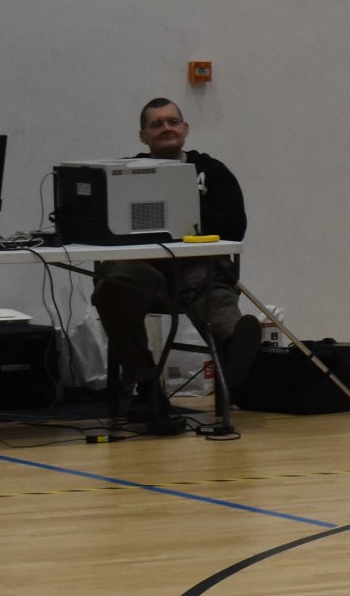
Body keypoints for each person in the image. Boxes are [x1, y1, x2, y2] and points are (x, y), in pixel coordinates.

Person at [89, 98, 261, 431]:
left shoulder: (212, 170)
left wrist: (182, 209)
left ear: (185, 128)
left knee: (212, 288)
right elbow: (105, 220)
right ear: (143, 136)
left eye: (172, 121)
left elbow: (234, 225)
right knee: (113, 288)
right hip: (142, 263)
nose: (166, 128)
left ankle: (233, 344)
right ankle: (148, 386)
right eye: (157, 124)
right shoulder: (125, 172)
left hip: (196, 261)